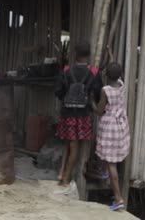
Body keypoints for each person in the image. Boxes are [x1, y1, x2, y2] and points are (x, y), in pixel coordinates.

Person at [54, 44, 98, 186]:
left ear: (75, 54)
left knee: (68, 142)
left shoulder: (66, 70)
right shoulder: (93, 72)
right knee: (74, 145)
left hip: (67, 112)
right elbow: (98, 91)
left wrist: (67, 99)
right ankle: (66, 177)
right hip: (83, 114)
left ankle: (62, 173)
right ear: (88, 55)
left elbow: (58, 91)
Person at [94, 62, 130, 211]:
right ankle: (104, 174)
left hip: (110, 126)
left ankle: (118, 198)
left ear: (106, 75)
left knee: (110, 163)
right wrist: (110, 56)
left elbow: (99, 111)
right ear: (120, 75)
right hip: (121, 126)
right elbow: (115, 72)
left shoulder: (105, 90)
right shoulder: (121, 85)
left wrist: (91, 103)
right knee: (111, 158)